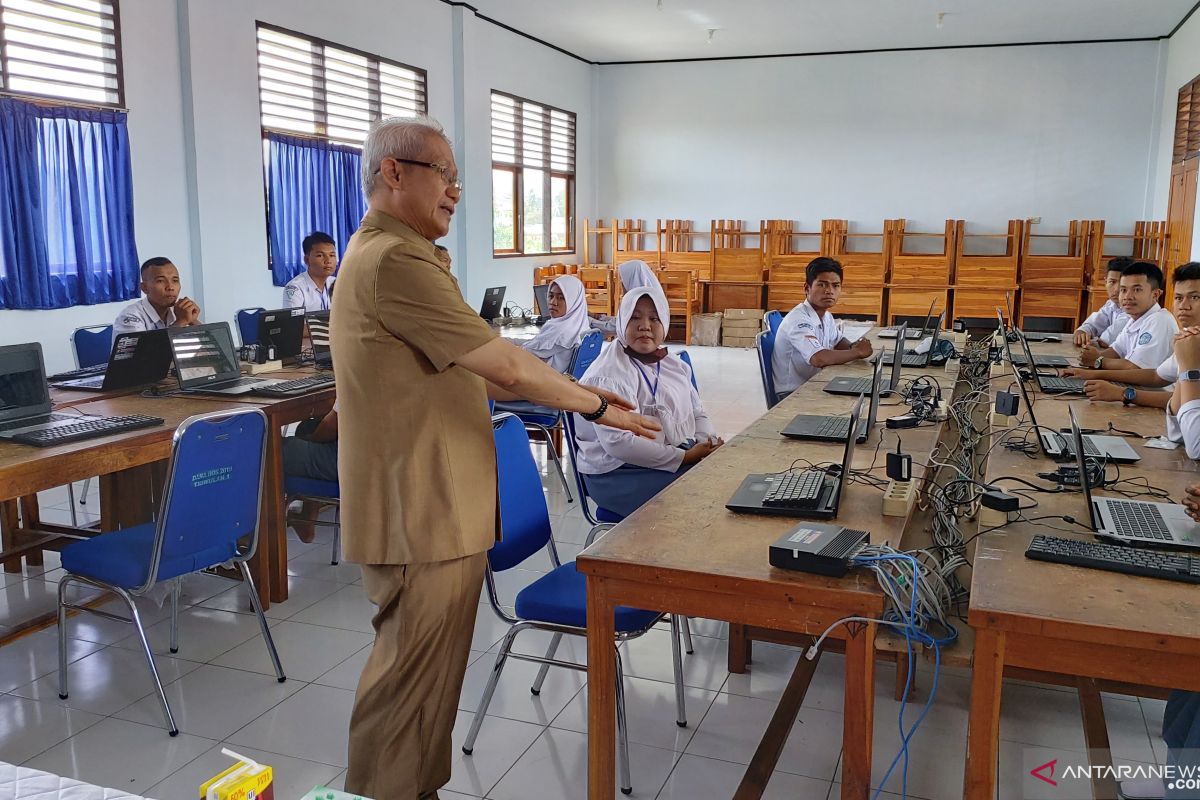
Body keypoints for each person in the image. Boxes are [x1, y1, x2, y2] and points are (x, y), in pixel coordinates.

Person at [331, 115, 657, 800]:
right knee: (407, 682)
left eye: (458, 178)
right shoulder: (394, 259)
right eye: (443, 174)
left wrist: (576, 389)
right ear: (394, 172)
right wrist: (592, 404)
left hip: (435, 502)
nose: (454, 190)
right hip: (418, 506)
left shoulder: (400, 254)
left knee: (429, 680)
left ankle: (415, 789)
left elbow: (462, 371)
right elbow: (506, 364)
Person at [574, 286, 723, 517]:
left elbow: (698, 412)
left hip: (664, 453)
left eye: (654, 318)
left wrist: (706, 443)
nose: (645, 325)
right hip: (617, 474)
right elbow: (619, 444)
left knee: (719, 475)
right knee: (704, 494)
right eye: (635, 317)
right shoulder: (609, 373)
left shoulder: (673, 364)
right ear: (622, 322)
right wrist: (684, 458)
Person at [1069, 263, 1200, 413]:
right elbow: (1156, 375)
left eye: (1194, 297)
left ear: (1155, 294)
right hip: (1165, 414)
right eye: (1178, 298)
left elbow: (1183, 401)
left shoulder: (1160, 321)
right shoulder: (1189, 338)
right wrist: (1089, 373)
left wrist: (1121, 392)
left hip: (1158, 411)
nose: (1184, 306)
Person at [771, 256, 873, 397]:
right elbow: (818, 358)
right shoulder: (798, 320)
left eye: (835, 285)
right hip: (792, 393)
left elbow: (838, 341)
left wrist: (853, 347)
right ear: (807, 288)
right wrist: (858, 353)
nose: (829, 291)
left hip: (814, 383)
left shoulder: (826, 316)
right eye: (822, 284)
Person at [1070, 262, 1178, 381]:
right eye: (1123, 290)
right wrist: (1089, 357)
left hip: (1153, 393)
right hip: (1131, 386)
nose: (1127, 296)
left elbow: (1136, 368)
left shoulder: (1160, 320)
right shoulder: (1135, 318)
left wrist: (1098, 361)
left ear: (1155, 294)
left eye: (1137, 290)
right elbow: (1116, 350)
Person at [282, 401, 338, 544]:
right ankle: (307, 520)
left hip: (346, 464)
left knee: (269, 447)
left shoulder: (362, 380)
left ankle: (252, 538)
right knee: (308, 427)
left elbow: (332, 425)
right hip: (392, 467)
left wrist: (311, 442)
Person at [521, 274, 592, 372]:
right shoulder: (579, 324)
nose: (553, 302)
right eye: (550, 296)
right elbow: (533, 345)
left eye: (561, 298)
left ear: (573, 301)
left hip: (541, 380)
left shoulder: (561, 331)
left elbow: (524, 352)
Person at [113, 257, 201, 335]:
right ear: (144, 288)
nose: (170, 287)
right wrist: (181, 322)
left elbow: (211, 345)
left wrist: (192, 320)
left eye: (175, 280)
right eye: (160, 281)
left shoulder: (179, 311)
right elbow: (144, 352)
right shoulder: (131, 317)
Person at [1073, 256, 1133, 347]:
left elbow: (1107, 340)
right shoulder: (1111, 304)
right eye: (1112, 282)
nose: (1116, 289)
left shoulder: (1134, 309)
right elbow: (1091, 325)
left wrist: (1091, 339)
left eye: (1122, 283)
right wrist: (1082, 332)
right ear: (1105, 282)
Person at [283, 231, 338, 312]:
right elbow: (293, 323)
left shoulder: (337, 283)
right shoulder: (296, 288)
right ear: (307, 260)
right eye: (320, 255)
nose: (328, 261)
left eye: (332, 255)